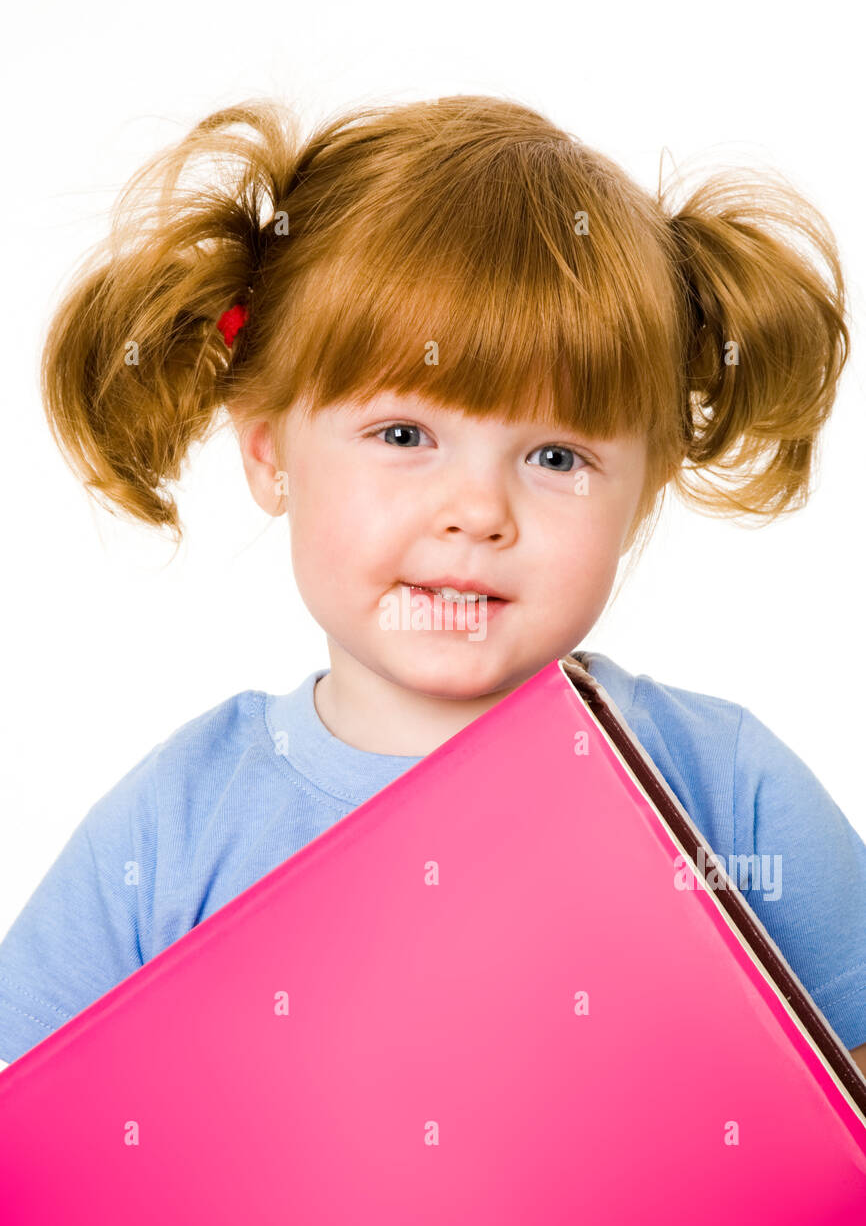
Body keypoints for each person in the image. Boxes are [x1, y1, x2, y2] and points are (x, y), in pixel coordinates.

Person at [1, 93, 864, 1074]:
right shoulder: (178, 822)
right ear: (269, 452)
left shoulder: (725, 789)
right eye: (403, 436)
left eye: (554, 456)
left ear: (645, 486)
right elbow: (27, 1145)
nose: (477, 510)